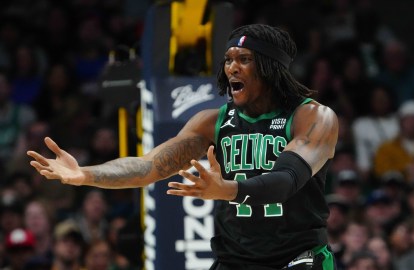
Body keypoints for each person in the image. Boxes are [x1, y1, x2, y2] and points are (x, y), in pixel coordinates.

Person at [27, 24, 339, 269]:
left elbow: (286, 181)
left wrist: (227, 189)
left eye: (244, 60)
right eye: (229, 60)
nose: (232, 68)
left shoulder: (312, 117)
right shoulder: (212, 121)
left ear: (271, 69)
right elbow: (149, 167)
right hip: (237, 258)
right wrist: (84, 174)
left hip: (298, 256)